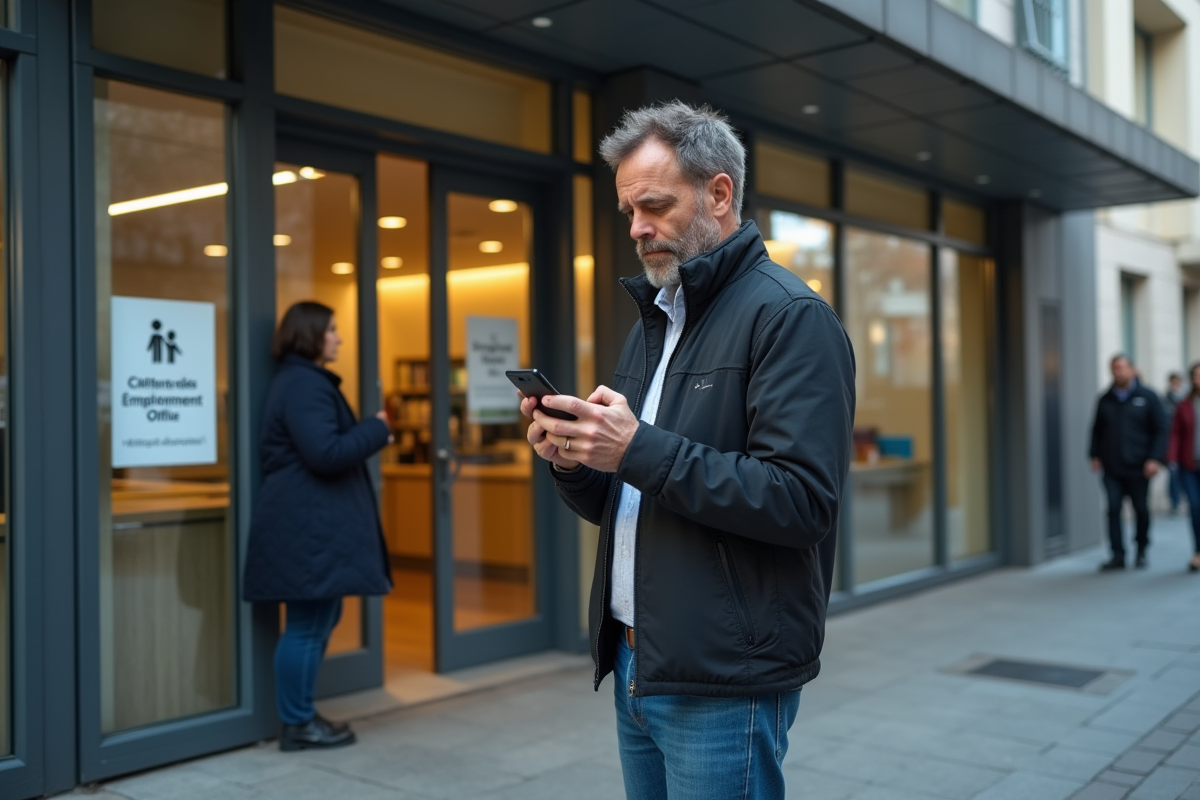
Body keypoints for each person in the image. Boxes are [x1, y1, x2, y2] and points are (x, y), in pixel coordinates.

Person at [520, 101, 856, 799]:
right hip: (641, 666)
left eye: (654, 206)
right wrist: (574, 457)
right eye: (629, 212)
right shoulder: (656, 321)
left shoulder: (791, 318)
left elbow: (801, 501)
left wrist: (639, 448)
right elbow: (631, 495)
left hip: (724, 679)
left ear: (720, 193)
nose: (637, 228)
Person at [244, 301, 393, 751]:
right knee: (308, 624)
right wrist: (376, 429)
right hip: (305, 528)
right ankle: (297, 723)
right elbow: (324, 452)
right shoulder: (303, 386)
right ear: (309, 334)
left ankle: (302, 717)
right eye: (331, 330)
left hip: (309, 526)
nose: (339, 338)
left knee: (320, 617)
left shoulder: (301, 382)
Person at [1089, 354, 1168, 570]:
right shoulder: (1105, 399)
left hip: (1140, 466)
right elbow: (1096, 430)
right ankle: (1117, 554)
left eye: (1122, 368)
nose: (1118, 372)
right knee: (1113, 509)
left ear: (1132, 370)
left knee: (1140, 509)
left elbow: (1161, 429)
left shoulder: (1148, 397)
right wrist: (1094, 455)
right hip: (1112, 466)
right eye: (1115, 368)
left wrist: (1154, 458)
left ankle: (1141, 549)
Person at [1164, 363, 1200, 572]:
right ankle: (1197, 551)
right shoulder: (1185, 405)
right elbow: (1175, 433)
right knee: (1195, 507)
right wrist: (1172, 457)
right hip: (1190, 465)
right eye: (1196, 375)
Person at [1163, 372, 1187, 515]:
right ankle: (1175, 502)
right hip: (1171, 443)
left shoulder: (1186, 400)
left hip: (1186, 446)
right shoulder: (1165, 400)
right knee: (1173, 474)